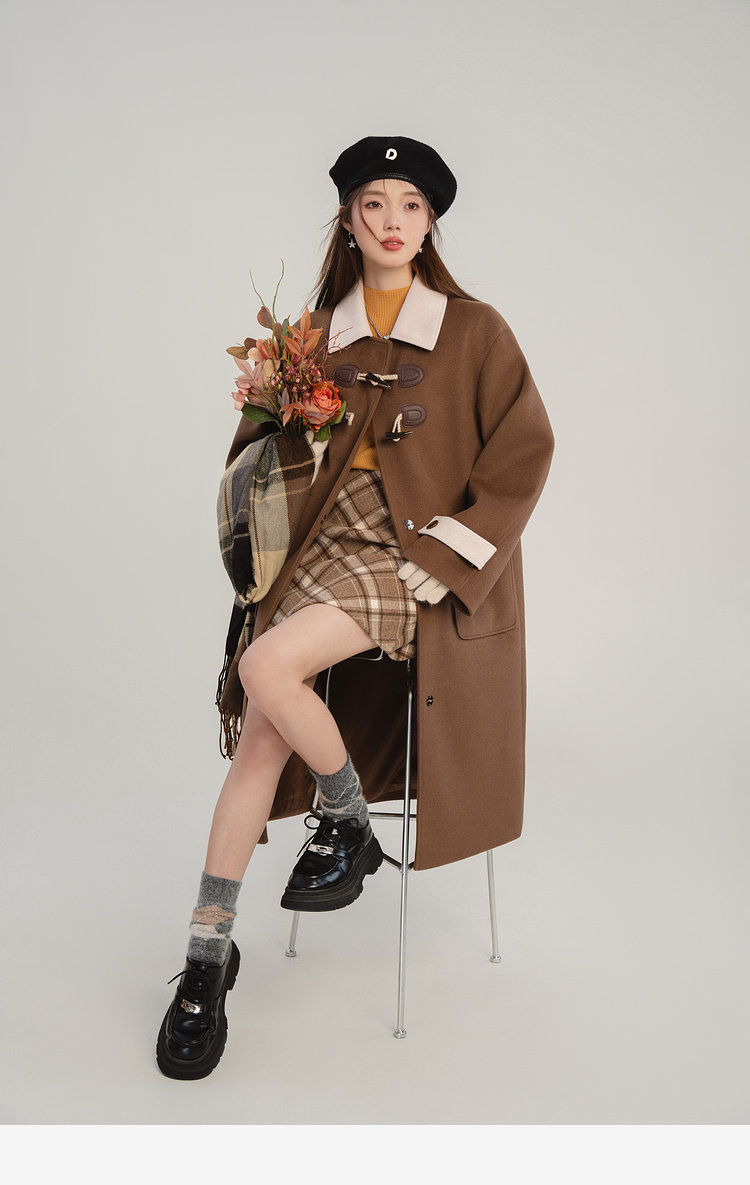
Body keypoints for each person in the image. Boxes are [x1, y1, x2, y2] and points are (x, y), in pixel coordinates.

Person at [156, 135, 555, 1079]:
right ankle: (208, 957)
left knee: (265, 666)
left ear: (430, 222)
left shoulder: (475, 329)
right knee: (263, 727)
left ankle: (345, 825)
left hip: (407, 554)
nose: (391, 221)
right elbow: (252, 454)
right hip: (319, 546)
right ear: (348, 219)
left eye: (410, 205)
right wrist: (282, 427)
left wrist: (450, 556)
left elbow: (525, 451)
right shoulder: (312, 333)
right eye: (374, 203)